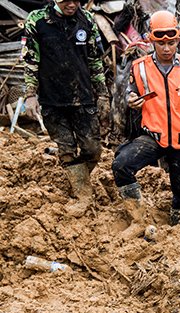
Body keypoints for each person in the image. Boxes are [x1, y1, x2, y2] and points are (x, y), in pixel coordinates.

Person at [111, 11, 180, 237]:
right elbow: (130, 92)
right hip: (154, 136)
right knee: (122, 164)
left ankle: (179, 229)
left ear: (178, 40)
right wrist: (131, 100)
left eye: (171, 42)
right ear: (152, 41)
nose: (166, 48)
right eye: (161, 43)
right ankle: (138, 219)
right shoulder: (139, 67)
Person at [23, 0, 110, 215]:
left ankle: (79, 180)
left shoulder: (87, 20)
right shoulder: (37, 20)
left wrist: (103, 94)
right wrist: (30, 95)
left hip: (83, 97)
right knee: (67, 150)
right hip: (52, 100)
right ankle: (83, 196)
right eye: (66, 1)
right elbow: (30, 60)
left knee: (92, 149)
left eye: (76, 0)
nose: (72, 4)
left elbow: (95, 61)